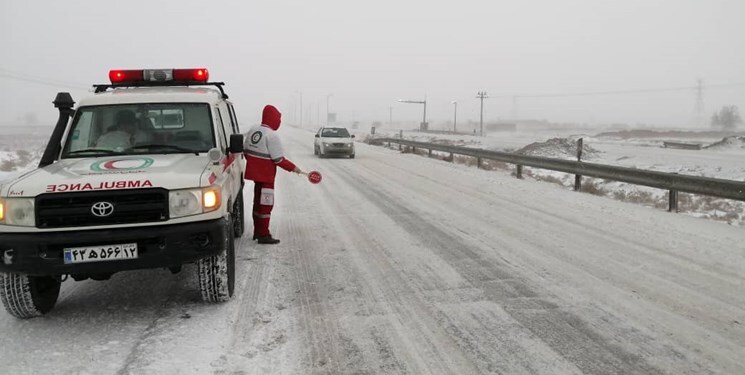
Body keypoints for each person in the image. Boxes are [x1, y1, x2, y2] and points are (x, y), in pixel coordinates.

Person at [243, 105, 303, 244]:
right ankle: (263, 234)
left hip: (256, 175)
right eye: (278, 118)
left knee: (257, 203)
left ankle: (257, 232)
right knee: (266, 205)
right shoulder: (272, 136)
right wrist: (294, 168)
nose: (279, 122)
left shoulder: (253, 130)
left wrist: (255, 165)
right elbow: (279, 159)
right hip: (266, 177)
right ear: (273, 118)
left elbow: (246, 150)